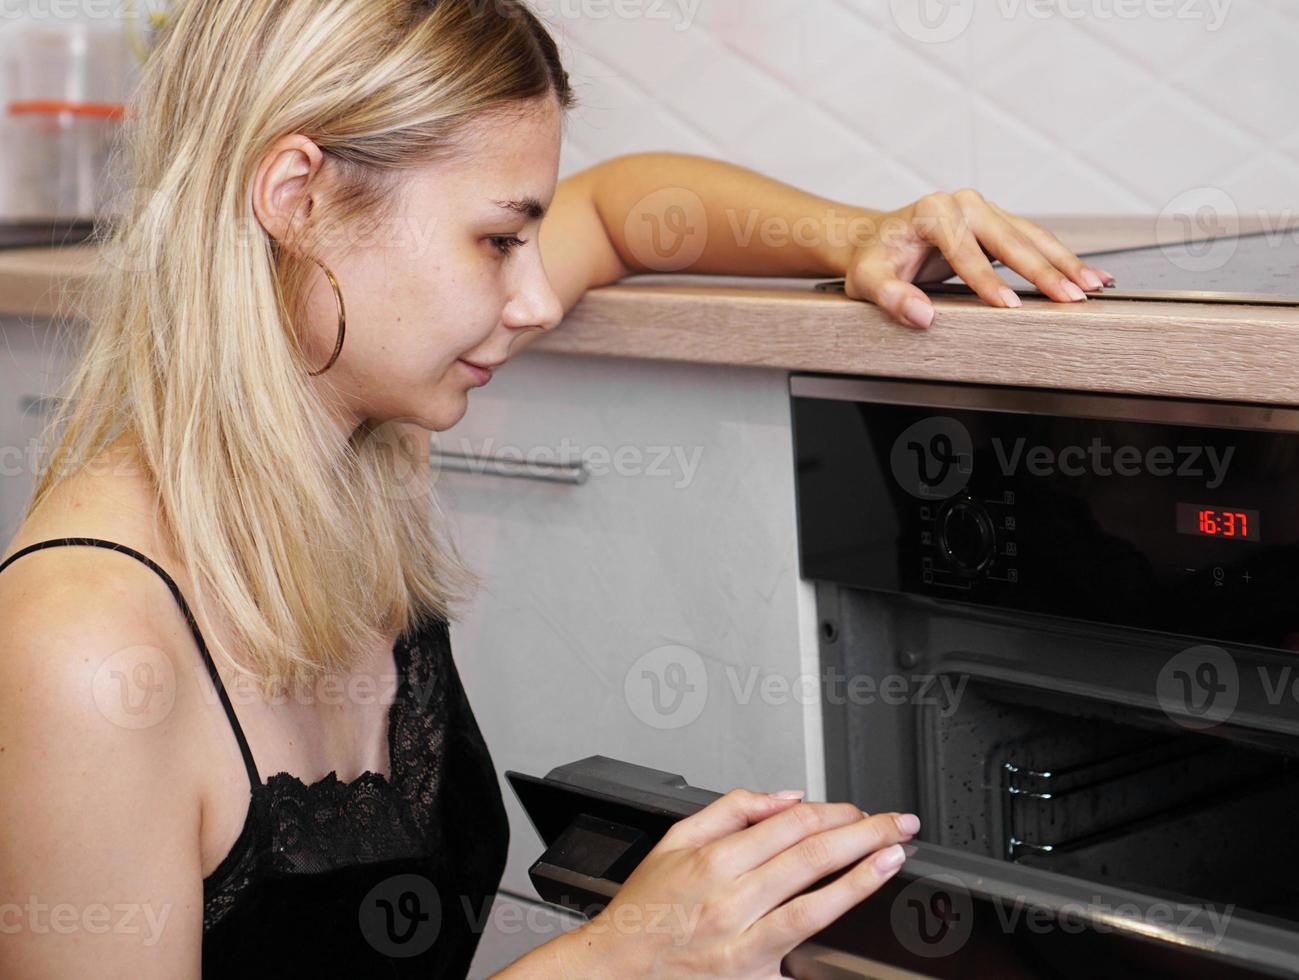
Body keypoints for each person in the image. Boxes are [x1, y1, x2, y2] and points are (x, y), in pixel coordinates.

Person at [0, 1, 1109, 977]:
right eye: (495, 238)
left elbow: (629, 206)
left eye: (526, 235)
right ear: (297, 196)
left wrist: (858, 232)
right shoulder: (89, 654)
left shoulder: (359, 424)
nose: (533, 298)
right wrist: (616, 960)